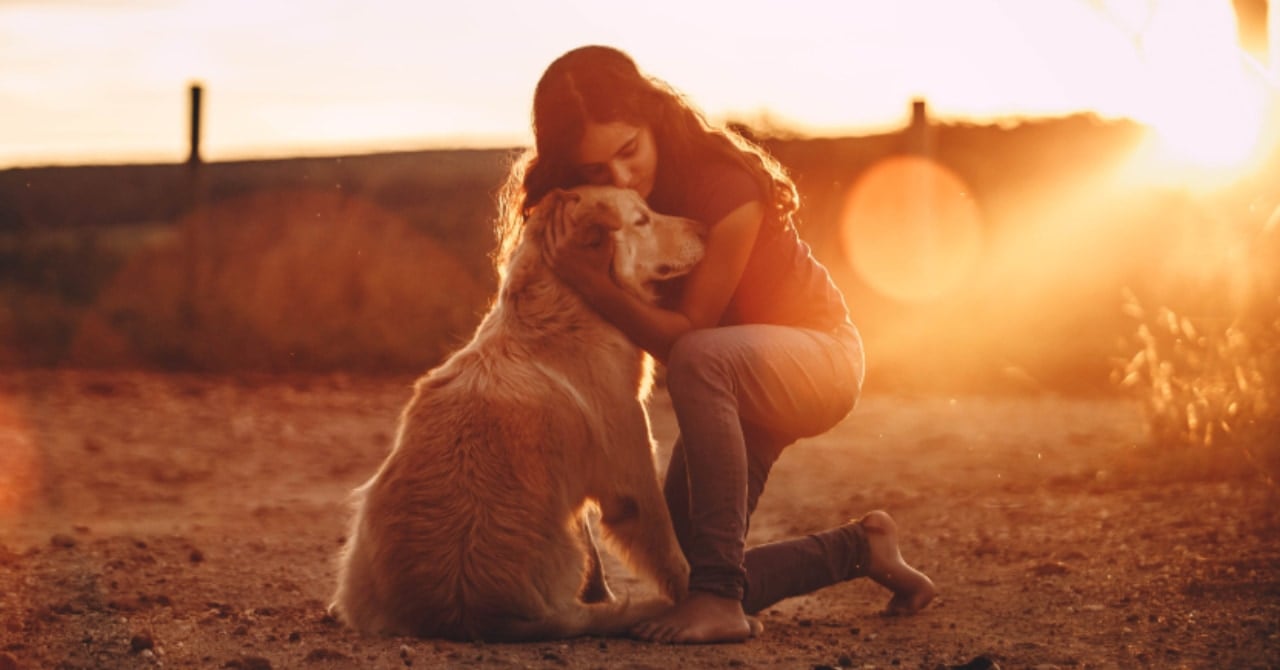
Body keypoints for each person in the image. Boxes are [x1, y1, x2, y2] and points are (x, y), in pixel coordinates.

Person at [494, 44, 937, 644]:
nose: (621, 178)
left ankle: (720, 604)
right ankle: (861, 550)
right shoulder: (591, 209)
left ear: (652, 117)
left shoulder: (724, 185)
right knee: (681, 573)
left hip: (817, 358)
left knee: (702, 357)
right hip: (730, 379)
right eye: (596, 170)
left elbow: (688, 337)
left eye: (629, 151)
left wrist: (589, 284)